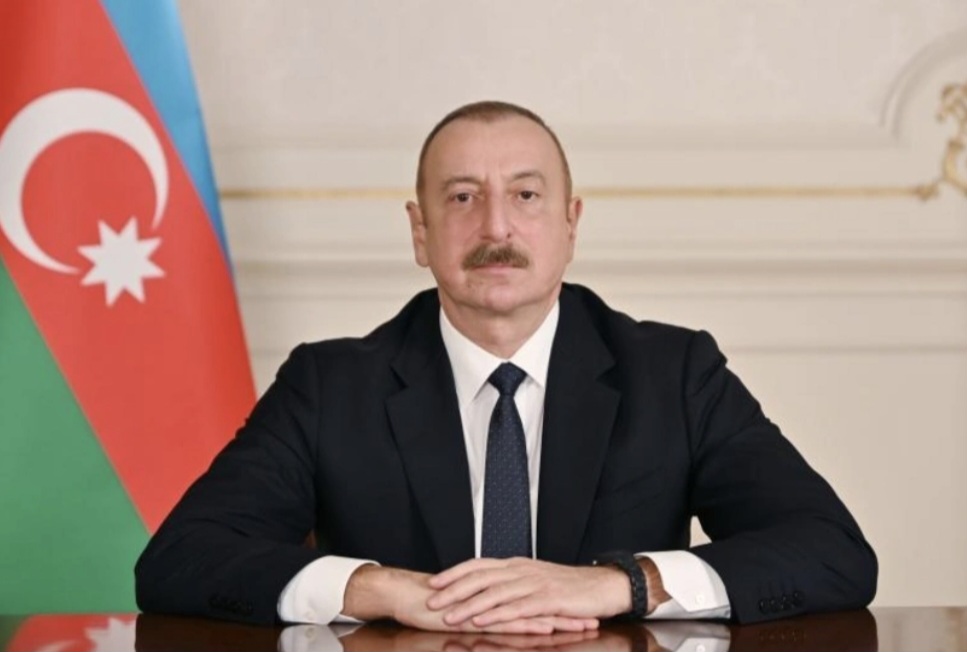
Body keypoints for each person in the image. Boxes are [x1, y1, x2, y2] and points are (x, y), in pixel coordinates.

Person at [135, 101, 877, 632]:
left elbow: (831, 551)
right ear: (420, 231)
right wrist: (379, 590)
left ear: (570, 224)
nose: (496, 226)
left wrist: (620, 585)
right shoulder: (330, 386)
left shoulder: (673, 372)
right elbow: (179, 562)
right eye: (462, 198)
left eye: (525, 195)